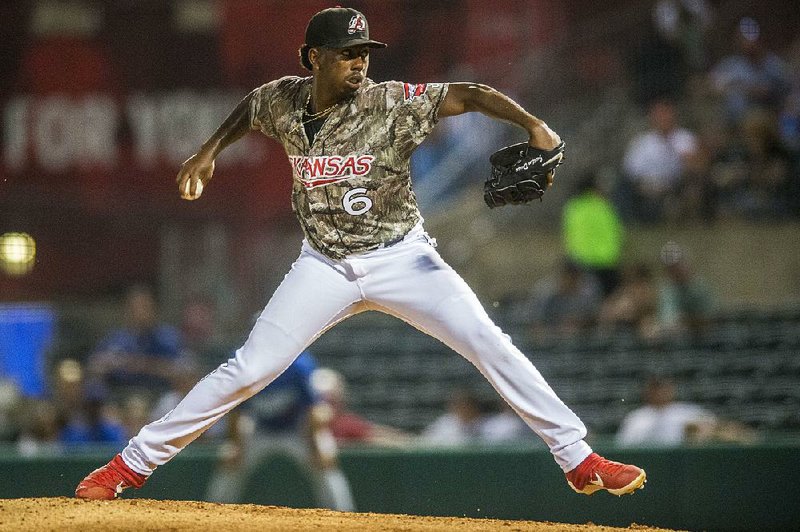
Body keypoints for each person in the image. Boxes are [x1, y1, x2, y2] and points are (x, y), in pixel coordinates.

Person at [75, 7, 645, 501]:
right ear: (313, 58)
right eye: (346, 53)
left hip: (402, 257)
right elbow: (250, 108)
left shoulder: (390, 103)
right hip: (323, 264)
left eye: (364, 52)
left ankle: (577, 458)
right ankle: (130, 464)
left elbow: (469, 94)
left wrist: (536, 126)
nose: (360, 63)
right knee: (248, 369)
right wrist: (207, 152)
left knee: (489, 343)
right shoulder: (282, 99)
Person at [205, 351, 355, 510]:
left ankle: (344, 515)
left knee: (325, 462)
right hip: (259, 429)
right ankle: (212, 515)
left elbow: (314, 409)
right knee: (230, 460)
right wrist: (236, 446)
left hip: (297, 429)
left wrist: (316, 445)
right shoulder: (246, 363)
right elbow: (236, 410)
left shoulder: (299, 365)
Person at [86, 285, 184, 396]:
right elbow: (94, 366)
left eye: (145, 307)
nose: (140, 313)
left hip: (159, 394)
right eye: (135, 308)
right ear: (127, 311)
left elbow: (184, 372)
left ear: (154, 310)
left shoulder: (168, 337)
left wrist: (144, 365)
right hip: (121, 394)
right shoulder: (116, 339)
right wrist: (115, 363)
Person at [616, 376, 716, 447]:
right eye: (656, 389)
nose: (660, 393)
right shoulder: (636, 417)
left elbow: (716, 428)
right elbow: (624, 445)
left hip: (683, 464)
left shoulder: (687, 412)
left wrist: (697, 433)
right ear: (648, 392)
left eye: (664, 388)